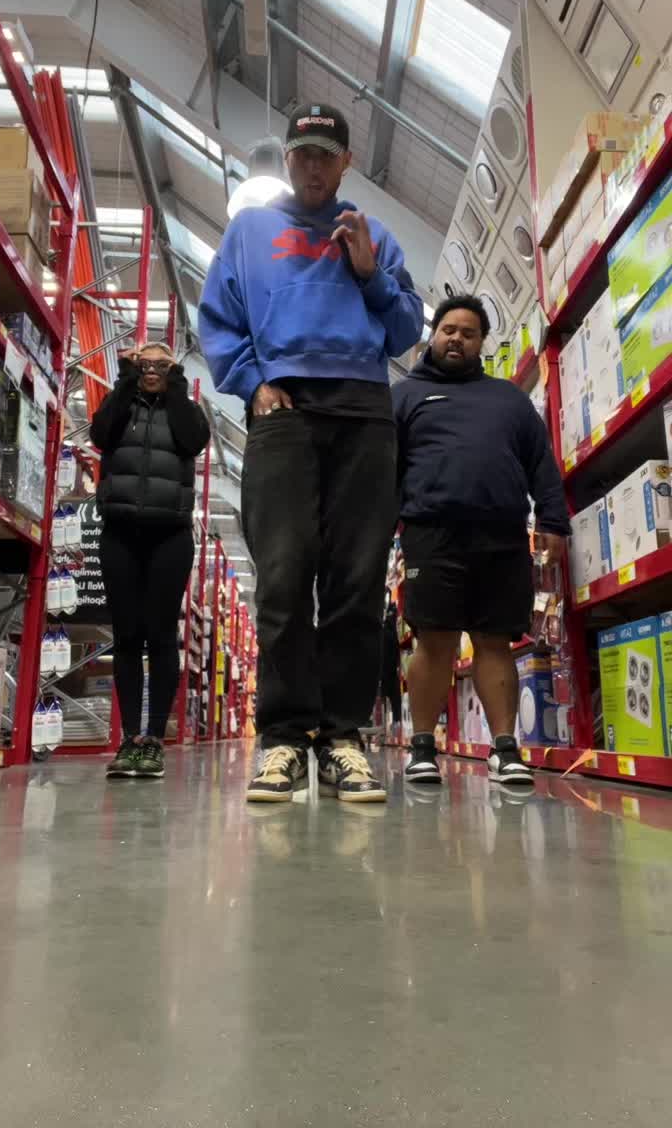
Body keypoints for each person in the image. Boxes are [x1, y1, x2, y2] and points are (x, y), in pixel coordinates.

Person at [199, 103, 423, 804]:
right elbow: (218, 319)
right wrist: (253, 384)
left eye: (328, 154)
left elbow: (405, 331)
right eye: (303, 154)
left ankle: (343, 738)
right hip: (284, 409)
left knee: (357, 579)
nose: (314, 166)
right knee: (283, 574)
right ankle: (285, 738)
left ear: (347, 162)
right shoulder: (249, 231)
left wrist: (370, 273)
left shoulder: (375, 234)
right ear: (288, 159)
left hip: (364, 409)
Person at [392, 294, 569, 788]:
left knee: (495, 640)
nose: (457, 339)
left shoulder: (508, 399)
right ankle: (422, 747)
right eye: (448, 330)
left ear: (481, 343)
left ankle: (505, 750)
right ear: (433, 336)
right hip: (431, 534)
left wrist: (553, 520)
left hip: (502, 535)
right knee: (434, 639)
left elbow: (541, 462)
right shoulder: (404, 396)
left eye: (468, 333)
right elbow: (384, 470)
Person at [90, 342, 210, 778]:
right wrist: (125, 380)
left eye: (162, 364)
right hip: (120, 533)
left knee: (160, 636)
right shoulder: (120, 404)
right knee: (126, 636)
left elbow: (194, 440)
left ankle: (154, 740)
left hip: (170, 536)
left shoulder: (186, 410)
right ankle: (128, 740)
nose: (153, 369)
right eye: (145, 363)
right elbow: (101, 434)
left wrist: (176, 386)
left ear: (174, 370)